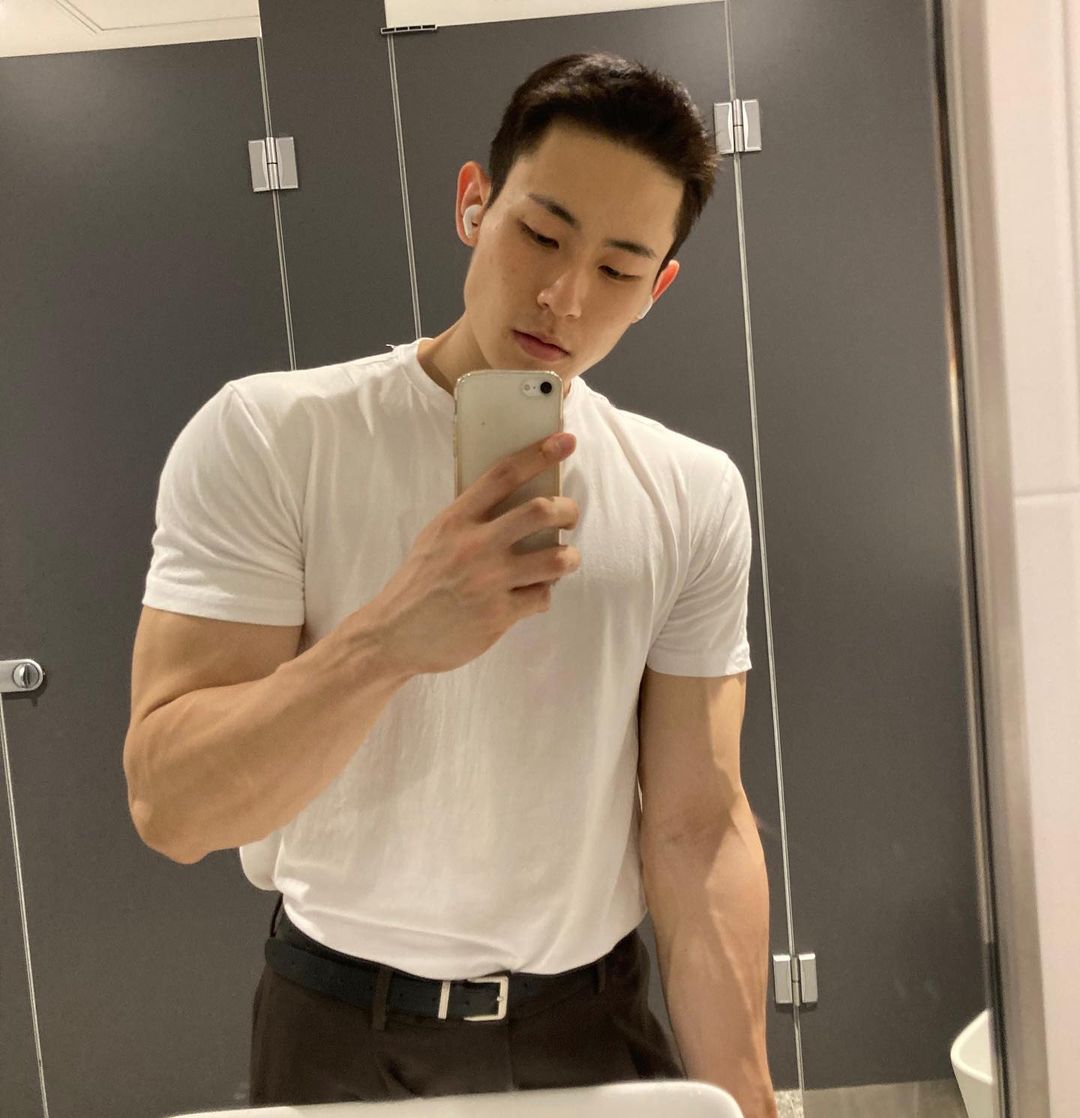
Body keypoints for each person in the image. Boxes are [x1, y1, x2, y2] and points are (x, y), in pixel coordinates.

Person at [126, 52, 777, 1118]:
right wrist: (389, 637)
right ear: (475, 203)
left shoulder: (691, 491)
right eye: (542, 234)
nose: (566, 296)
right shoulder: (270, 438)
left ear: (658, 288)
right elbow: (173, 807)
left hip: (593, 1022)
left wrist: (748, 1093)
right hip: (340, 1025)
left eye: (619, 269)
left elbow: (696, 827)